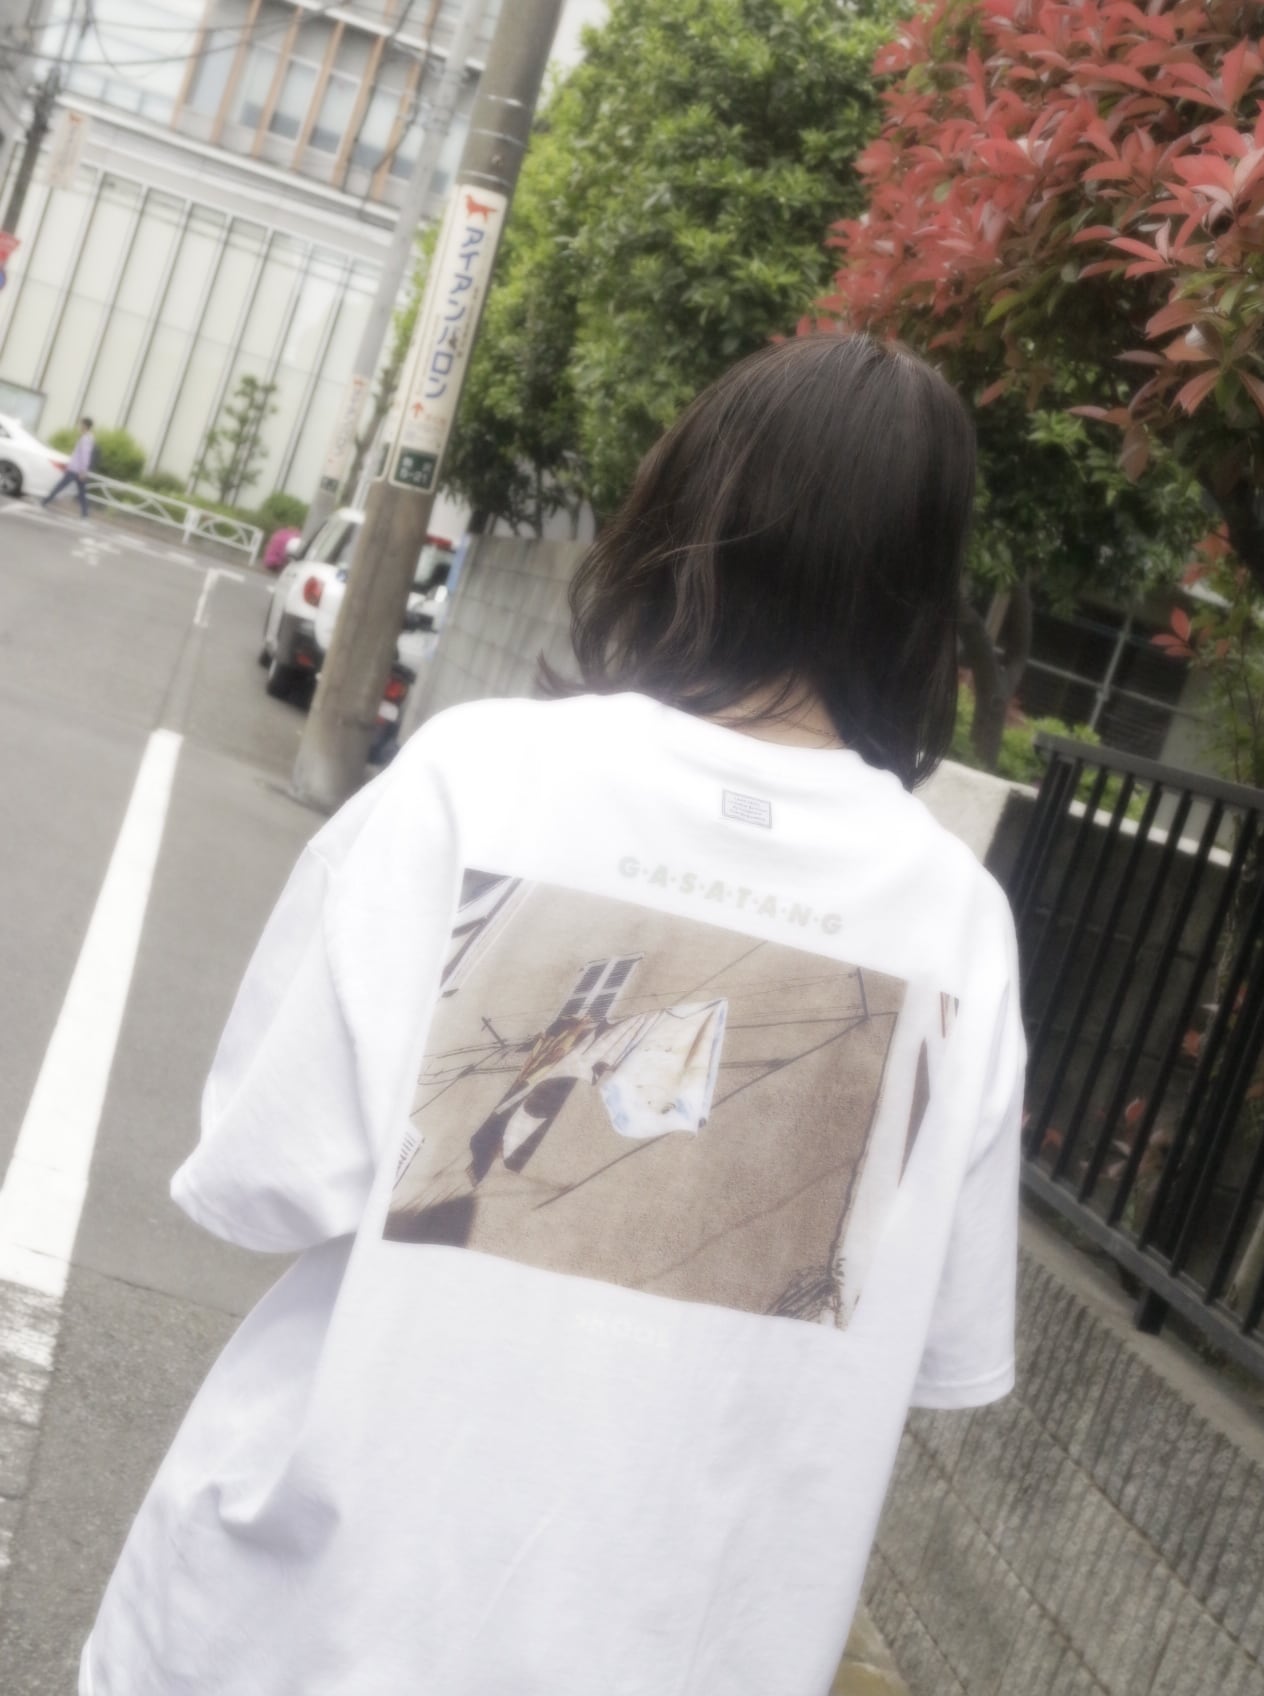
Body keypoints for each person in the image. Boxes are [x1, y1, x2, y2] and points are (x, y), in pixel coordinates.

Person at [82, 334, 1025, 1696]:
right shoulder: (958, 926)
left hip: (304, 1633)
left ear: (687, 508)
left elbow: (274, 1170)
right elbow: (932, 1348)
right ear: (926, 596)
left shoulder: (480, 777)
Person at [42, 416, 95, 518]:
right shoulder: (87, 438)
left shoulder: (85, 439)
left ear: (85, 425)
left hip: (76, 470)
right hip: (78, 469)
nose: (80, 426)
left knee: (60, 486)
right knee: (81, 492)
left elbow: (85, 456)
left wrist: (82, 471)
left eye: (81, 424)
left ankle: (44, 502)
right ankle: (85, 514)